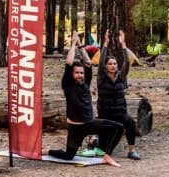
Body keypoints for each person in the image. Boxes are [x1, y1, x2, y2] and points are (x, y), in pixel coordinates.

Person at [44, 35, 122, 166]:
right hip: (75, 127)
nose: (80, 75)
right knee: (69, 156)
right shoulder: (68, 85)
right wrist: (73, 45)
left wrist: (80, 45)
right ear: (72, 74)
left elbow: (88, 62)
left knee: (118, 128)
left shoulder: (85, 83)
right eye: (77, 73)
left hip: (89, 123)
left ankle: (107, 156)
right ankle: (47, 151)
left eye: (81, 73)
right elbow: (68, 63)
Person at [97, 30, 140, 160]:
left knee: (130, 123)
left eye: (114, 64)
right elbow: (100, 61)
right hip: (106, 113)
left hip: (120, 112)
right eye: (110, 64)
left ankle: (131, 150)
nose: (113, 66)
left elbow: (127, 62)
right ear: (105, 66)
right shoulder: (101, 77)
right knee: (104, 146)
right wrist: (106, 43)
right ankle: (95, 142)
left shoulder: (121, 77)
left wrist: (123, 44)